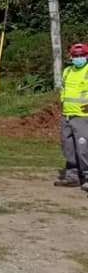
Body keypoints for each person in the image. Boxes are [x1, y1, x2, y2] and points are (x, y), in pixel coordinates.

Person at [55, 42, 88, 188]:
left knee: (83, 149)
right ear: (71, 56)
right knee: (68, 147)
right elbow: (63, 89)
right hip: (67, 115)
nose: (78, 58)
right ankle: (72, 176)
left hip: (83, 116)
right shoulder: (67, 71)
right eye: (76, 56)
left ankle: (86, 176)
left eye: (81, 55)